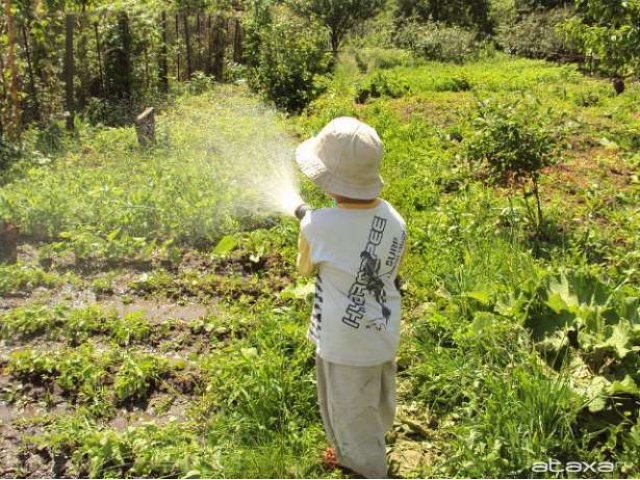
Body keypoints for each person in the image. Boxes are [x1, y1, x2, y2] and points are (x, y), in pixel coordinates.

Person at [295, 117, 407, 478]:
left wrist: (308, 223)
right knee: (373, 400)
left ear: (329, 179)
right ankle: (365, 442)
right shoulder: (394, 218)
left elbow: (305, 269)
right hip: (382, 332)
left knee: (345, 410)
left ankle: (364, 466)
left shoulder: (317, 225)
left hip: (343, 345)